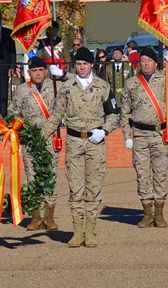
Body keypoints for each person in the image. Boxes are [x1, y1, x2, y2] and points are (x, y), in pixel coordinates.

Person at [42, 47, 120, 247]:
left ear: (92, 65)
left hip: (95, 142)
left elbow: (113, 114)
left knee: (93, 188)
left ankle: (90, 231)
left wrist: (105, 130)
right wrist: (38, 136)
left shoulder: (103, 86)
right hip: (74, 141)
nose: (82, 67)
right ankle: (77, 231)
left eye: (85, 64)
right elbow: (55, 117)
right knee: (75, 189)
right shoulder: (67, 87)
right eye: (78, 64)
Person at [120, 47, 168, 228]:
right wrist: (126, 135)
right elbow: (124, 112)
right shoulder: (131, 83)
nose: (146, 63)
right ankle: (147, 213)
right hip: (139, 134)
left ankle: (159, 213)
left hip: (159, 133)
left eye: (149, 60)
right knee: (142, 174)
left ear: (156, 63)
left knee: (160, 174)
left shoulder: (166, 77)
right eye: (143, 60)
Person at [11, 56, 60, 230]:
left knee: (50, 177)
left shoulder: (56, 86)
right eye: (34, 71)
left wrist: (62, 75)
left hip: (49, 140)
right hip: (31, 141)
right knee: (32, 178)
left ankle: (49, 216)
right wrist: (20, 130)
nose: (38, 74)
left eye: (40, 70)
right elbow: (14, 114)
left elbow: (62, 110)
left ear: (46, 71)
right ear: (29, 72)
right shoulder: (23, 90)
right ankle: (35, 217)